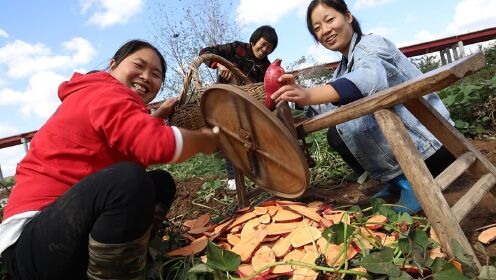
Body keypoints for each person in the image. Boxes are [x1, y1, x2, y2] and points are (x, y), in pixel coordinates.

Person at [0, 39, 219, 280]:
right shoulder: (105, 91)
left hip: (64, 234)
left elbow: (124, 145)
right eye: (139, 65)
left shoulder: (106, 98)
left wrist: (156, 116)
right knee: (128, 182)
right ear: (113, 65)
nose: (146, 77)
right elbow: (154, 145)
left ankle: (126, 259)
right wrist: (205, 139)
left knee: (159, 183)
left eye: (155, 74)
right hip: (32, 243)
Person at [272, 0, 455, 214]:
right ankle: (397, 180)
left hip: (433, 147)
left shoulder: (372, 45)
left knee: (359, 121)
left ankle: (411, 181)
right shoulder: (341, 70)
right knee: (336, 134)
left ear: (348, 17)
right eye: (317, 28)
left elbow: (370, 79)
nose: (325, 30)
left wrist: (309, 93)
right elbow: (330, 106)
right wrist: (296, 99)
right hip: (414, 152)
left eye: (330, 19)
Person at [199, 25, 278, 190]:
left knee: (252, 138)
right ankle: (233, 177)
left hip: (248, 106)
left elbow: (266, 89)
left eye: (269, 49)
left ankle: (259, 174)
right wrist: (220, 65)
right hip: (224, 100)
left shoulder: (266, 66)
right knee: (229, 135)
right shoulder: (237, 48)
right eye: (262, 45)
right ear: (253, 41)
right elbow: (205, 52)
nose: (264, 50)